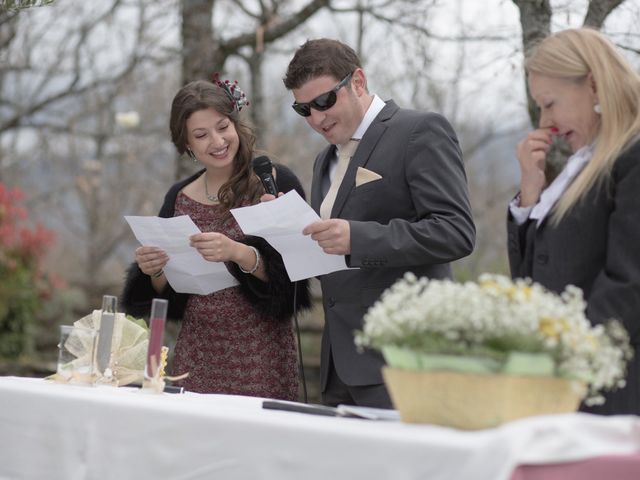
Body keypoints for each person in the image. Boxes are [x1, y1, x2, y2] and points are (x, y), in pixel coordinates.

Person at [283, 39, 475, 408]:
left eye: (324, 101)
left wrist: (358, 237)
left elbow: (455, 232)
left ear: (357, 81)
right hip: (339, 364)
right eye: (303, 109)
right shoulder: (324, 160)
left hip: (404, 360)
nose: (317, 118)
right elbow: (332, 256)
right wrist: (288, 229)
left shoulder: (419, 130)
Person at [121, 78, 310, 400]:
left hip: (260, 353)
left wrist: (238, 253)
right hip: (197, 351)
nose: (217, 140)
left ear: (235, 124)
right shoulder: (178, 197)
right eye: (201, 135)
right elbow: (166, 297)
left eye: (223, 127)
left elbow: (296, 280)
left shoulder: (272, 182)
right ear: (187, 146)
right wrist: (153, 271)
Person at [507, 27, 640, 415]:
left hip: (610, 394)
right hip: (564, 392)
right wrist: (531, 193)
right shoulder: (584, 163)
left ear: (594, 87)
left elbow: (628, 285)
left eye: (550, 103)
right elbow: (533, 280)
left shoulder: (632, 158)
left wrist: (564, 368)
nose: (545, 122)